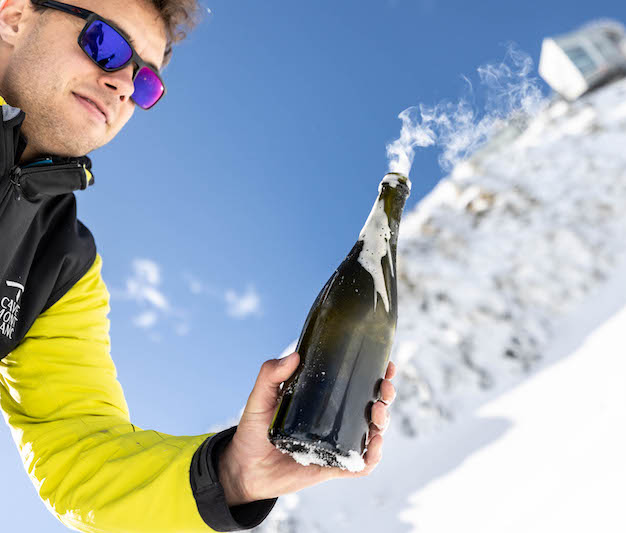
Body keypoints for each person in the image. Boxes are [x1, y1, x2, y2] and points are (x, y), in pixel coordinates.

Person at [0, 0, 397, 531]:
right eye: (105, 44)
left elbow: (75, 446)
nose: (122, 84)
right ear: (13, 16)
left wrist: (232, 476)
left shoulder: (61, 265)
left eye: (144, 81)